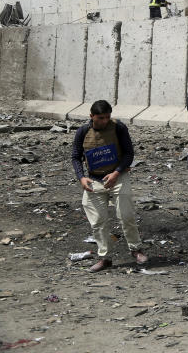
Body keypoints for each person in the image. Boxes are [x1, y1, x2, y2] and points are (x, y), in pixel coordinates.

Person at [70, 100, 148, 272]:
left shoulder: (118, 128)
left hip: (117, 177)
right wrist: (81, 178)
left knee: (126, 215)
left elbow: (129, 153)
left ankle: (136, 249)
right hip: (94, 180)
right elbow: (76, 156)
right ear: (91, 116)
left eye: (107, 117)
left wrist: (117, 172)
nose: (105, 121)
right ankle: (104, 257)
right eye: (100, 118)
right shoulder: (83, 132)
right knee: (97, 221)